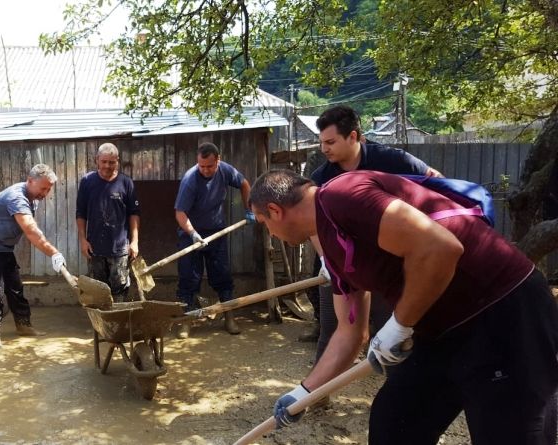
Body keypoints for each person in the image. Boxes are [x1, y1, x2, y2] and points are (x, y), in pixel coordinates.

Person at [249, 169, 558, 445]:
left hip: (503, 312)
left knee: (509, 433)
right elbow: (350, 331)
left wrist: (398, 325)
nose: (271, 236)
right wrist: (304, 393)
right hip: (440, 331)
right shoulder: (330, 247)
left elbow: (441, 247)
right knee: (395, 423)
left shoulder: (343, 195)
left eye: (265, 225)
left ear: (275, 211)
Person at [300, 105, 442, 364]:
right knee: (331, 328)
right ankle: (316, 397)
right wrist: (326, 260)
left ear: (353, 136)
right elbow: (315, 225)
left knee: (392, 332)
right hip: (341, 263)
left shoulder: (392, 160)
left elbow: (435, 183)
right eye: (321, 142)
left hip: (389, 263)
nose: (324, 149)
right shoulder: (322, 177)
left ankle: (398, 395)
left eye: (330, 142)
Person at [0, 164, 66, 348]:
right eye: (43, 188)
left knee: (15, 287)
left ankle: (24, 326)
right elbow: (30, 231)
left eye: (48, 189)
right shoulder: (17, 197)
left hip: (3, 246)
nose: (45, 193)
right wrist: (53, 252)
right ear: (30, 181)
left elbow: (30, 227)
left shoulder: (33, 196)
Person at [174, 142, 254, 337]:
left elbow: (244, 184)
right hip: (190, 235)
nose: (206, 170)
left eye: (210, 166)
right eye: (202, 166)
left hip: (216, 233)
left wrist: (249, 209)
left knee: (222, 275)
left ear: (218, 161)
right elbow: (180, 213)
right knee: (188, 278)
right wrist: (193, 234)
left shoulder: (226, 171)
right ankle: (186, 321)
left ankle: (229, 317)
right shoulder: (190, 180)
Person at [76, 143, 140, 302]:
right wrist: (83, 240)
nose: (107, 166)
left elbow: (134, 214)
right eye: (104, 161)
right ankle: (102, 325)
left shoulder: (126, 183)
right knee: (98, 290)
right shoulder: (87, 182)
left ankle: (118, 322)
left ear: (117, 161)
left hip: (119, 248)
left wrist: (135, 242)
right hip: (94, 248)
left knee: (120, 289)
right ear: (97, 160)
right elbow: (80, 213)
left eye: (111, 162)